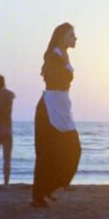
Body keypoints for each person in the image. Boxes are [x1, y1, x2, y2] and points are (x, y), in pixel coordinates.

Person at [32, 23, 81, 208]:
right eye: (71, 35)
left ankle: (48, 188)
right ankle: (39, 195)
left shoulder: (62, 55)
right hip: (50, 107)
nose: (75, 38)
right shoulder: (53, 56)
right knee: (46, 153)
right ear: (62, 37)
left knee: (73, 150)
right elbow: (54, 79)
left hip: (62, 105)